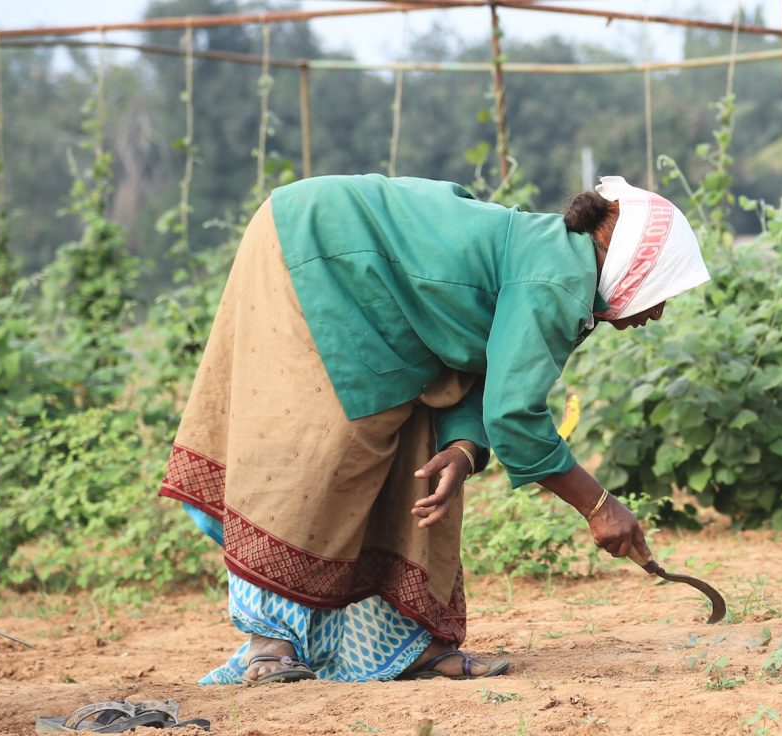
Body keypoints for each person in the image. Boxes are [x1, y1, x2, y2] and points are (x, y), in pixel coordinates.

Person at [158, 174, 709, 684]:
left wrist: (465, 449)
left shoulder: (562, 268)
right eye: (661, 291)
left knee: (420, 451)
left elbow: (482, 372)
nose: (657, 312)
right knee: (319, 451)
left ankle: (404, 646)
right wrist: (598, 504)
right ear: (631, 266)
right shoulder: (559, 278)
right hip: (316, 248)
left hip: (377, 294)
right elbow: (514, 416)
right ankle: (268, 646)